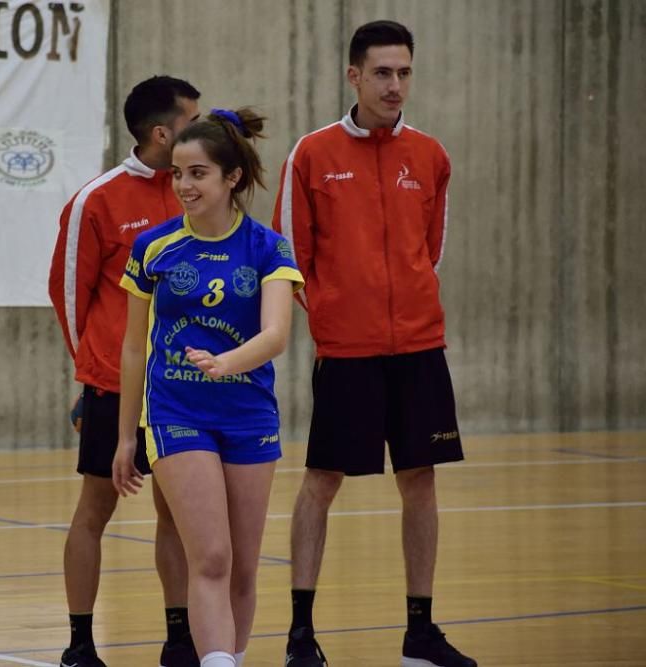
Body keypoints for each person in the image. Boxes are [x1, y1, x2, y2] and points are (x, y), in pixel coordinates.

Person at [272, 20, 477, 667]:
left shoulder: (432, 156)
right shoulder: (312, 154)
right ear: (354, 75)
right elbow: (290, 257)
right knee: (321, 481)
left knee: (421, 481)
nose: (395, 85)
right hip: (349, 353)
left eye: (404, 72)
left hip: (419, 348)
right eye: (383, 72)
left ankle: (421, 632)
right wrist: (334, 317)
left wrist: (409, 308)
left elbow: (430, 251)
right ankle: (300, 633)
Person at [114, 107, 304, 667]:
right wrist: (128, 437)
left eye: (197, 173)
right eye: (176, 173)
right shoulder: (154, 247)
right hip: (177, 414)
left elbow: (275, 334)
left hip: (249, 416)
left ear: (231, 178)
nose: (183, 185)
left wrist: (226, 362)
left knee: (244, 566)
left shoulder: (269, 248)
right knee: (213, 558)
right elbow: (131, 346)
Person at [48, 75, 202, 667]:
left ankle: (179, 638)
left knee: (177, 513)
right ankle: (80, 643)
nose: (204, 126)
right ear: (163, 133)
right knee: (95, 510)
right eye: (193, 118)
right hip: (116, 386)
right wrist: (94, 376)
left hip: (182, 388)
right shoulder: (98, 200)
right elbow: (68, 295)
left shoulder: (198, 188)